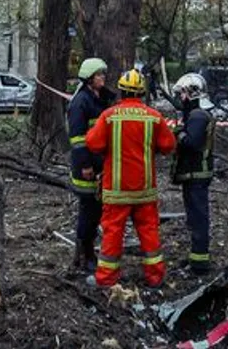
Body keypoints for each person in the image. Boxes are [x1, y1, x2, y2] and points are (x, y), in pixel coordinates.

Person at [85, 69, 176, 288]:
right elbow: (168, 146)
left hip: (116, 190)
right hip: (144, 189)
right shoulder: (154, 117)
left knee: (112, 234)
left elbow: (93, 143)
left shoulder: (109, 116)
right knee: (149, 232)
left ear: (122, 91)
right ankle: (155, 277)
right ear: (142, 92)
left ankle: (106, 279)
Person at [67, 57, 114, 272]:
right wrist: (86, 165)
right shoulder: (80, 103)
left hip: (101, 165)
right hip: (86, 168)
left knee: (96, 211)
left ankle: (88, 252)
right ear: (88, 79)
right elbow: (77, 140)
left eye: (103, 73)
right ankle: (84, 255)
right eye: (98, 74)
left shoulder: (101, 99)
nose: (102, 77)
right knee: (89, 211)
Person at [171, 73, 216, 275]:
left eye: (181, 94)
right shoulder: (198, 114)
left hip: (197, 174)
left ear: (190, 93)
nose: (180, 99)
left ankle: (199, 263)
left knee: (198, 218)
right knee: (194, 218)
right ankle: (195, 256)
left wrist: (178, 133)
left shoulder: (198, 116)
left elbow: (191, 143)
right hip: (194, 174)